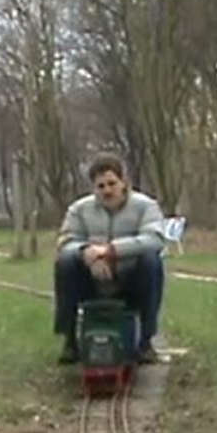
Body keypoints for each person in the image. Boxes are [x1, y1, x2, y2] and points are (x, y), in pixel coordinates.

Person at [54, 153, 166, 365]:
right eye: (101, 186)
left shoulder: (146, 206)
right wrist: (86, 252)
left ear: (124, 182)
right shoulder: (79, 210)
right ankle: (69, 341)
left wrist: (110, 251)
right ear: (93, 188)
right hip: (92, 280)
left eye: (112, 184)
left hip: (130, 279)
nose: (107, 190)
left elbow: (155, 239)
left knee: (151, 261)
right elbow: (66, 242)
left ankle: (146, 343)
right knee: (65, 263)